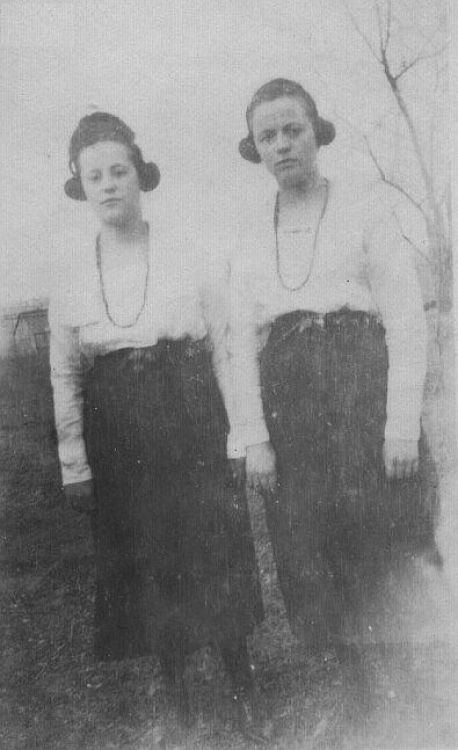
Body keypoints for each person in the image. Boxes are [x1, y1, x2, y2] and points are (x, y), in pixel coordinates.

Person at [49, 112, 264, 737]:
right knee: (146, 556)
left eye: (119, 171)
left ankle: (242, 681)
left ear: (140, 175)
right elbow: (65, 374)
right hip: (118, 429)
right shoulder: (70, 275)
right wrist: (74, 462)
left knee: (212, 545)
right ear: (82, 187)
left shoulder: (188, 251)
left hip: (190, 413)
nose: (109, 185)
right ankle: (176, 692)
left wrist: (239, 433)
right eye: (95, 176)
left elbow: (225, 345)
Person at [228, 79, 440, 671]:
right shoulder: (249, 231)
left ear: (316, 134)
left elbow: (405, 322)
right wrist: (255, 438)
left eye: (292, 129)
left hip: (361, 387)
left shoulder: (364, 207)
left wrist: (400, 427)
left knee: (386, 530)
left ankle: (409, 676)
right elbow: (239, 341)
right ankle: (353, 677)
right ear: (256, 148)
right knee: (312, 540)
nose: (281, 145)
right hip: (291, 400)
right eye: (266, 136)